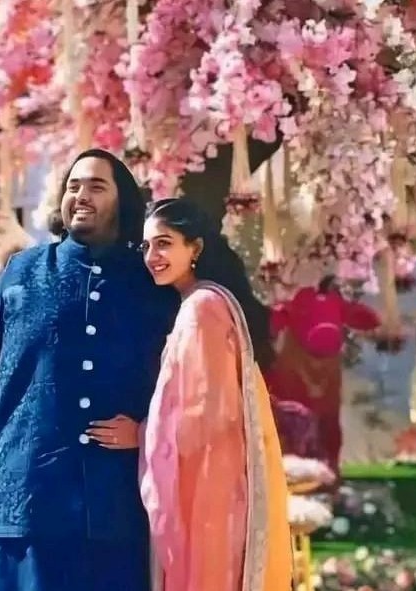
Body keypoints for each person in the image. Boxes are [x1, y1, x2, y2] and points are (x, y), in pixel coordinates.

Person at [0, 149, 179, 591]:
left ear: (123, 202)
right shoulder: (22, 273)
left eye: (97, 187)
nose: (81, 195)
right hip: (27, 494)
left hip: (117, 497)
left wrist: (146, 431)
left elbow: (181, 381)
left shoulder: (150, 285)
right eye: (73, 186)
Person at [88, 198, 293, 591]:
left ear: (195, 247)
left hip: (211, 491)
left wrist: (142, 434)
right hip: (215, 484)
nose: (152, 256)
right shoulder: (201, 304)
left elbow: (205, 415)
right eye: (146, 246)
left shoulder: (203, 309)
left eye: (164, 243)